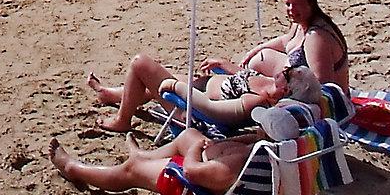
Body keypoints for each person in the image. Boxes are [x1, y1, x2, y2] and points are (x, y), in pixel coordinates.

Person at [82, 59, 320, 137]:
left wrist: (178, 88)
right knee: (152, 76)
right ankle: (111, 94)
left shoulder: (256, 102)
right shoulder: (269, 83)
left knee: (140, 63)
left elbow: (213, 111)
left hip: (191, 108)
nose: (286, 67)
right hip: (199, 86)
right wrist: (224, 64)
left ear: (286, 91)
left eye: (289, 72)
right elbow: (242, 74)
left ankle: (122, 120)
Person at [48, 121, 267, 195]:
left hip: (200, 190)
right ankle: (143, 156)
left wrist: (195, 149)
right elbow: (241, 143)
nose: (258, 126)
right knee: (188, 134)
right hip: (217, 169)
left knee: (132, 171)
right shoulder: (280, 151)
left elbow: (191, 172)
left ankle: (73, 168)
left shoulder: (233, 165)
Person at [202, 0, 352, 93]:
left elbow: (322, 86)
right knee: (260, 57)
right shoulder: (302, 23)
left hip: (317, 99)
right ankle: (239, 74)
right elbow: (285, 41)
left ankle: (231, 75)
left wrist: (273, 85)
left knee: (252, 84)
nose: (292, 10)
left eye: (297, 4)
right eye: (288, 4)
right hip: (295, 80)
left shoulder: (316, 38)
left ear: (311, 3)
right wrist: (255, 51)